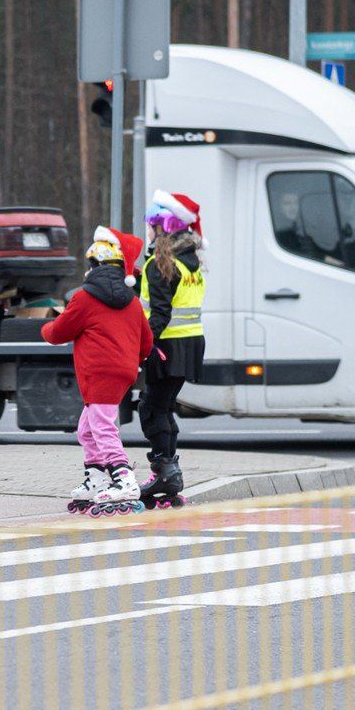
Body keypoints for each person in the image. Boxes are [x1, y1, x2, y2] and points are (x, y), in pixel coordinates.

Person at [41, 226, 154, 513]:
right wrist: (134, 358)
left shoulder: (84, 298)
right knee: (87, 428)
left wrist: (44, 327)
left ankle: (124, 477)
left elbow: (59, 333)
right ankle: (96, 479)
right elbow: (147, 342)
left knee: (102, 426)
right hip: (123, 371)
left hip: (99, 371)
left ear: (93, 266)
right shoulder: (131, 301)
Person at [137, 190, 206, 508]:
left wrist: (142, 347)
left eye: (151, 226)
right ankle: (169, 469)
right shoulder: (190, 261)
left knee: (151, 408)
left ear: (161, 227)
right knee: (161, 406)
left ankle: (165, 470)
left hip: (166, 346)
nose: (148, 232)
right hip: (190, 344)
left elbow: (161, 312)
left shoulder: (161, 264)